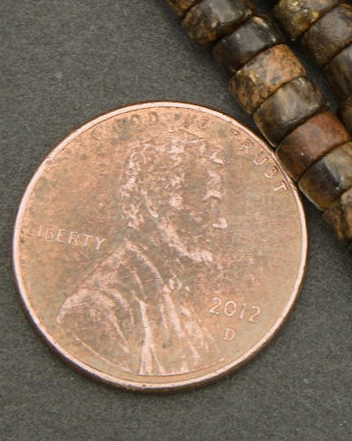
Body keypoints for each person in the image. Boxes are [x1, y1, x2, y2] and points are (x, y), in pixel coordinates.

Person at [56, 133, 228, 377]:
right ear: (152, 201)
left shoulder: (172, 293)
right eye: (205, 204)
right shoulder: (92, 309)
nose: (220, 222)